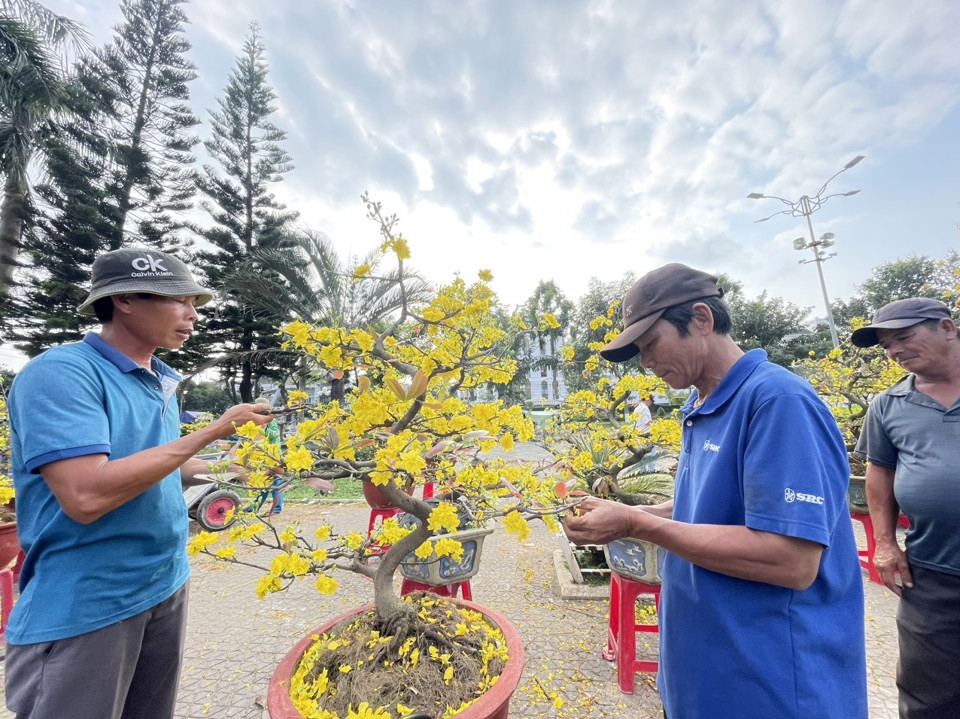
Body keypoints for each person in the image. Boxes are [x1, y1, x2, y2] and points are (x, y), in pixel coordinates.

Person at [564, 263, 867, 719]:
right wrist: (637, 509)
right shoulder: (701, 403)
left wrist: (634, 523)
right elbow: (708, 510)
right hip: (704, 681)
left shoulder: (777, 402)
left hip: (772, 688)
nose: (646, 362)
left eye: (651, 344)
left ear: (702, 320)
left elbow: (792, 558)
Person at [4, 248, 273, 719]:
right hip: (89, 604)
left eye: (196, 303)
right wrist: (210, 431)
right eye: (179, 301)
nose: (193, 316)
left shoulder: (161, 379)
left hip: (164, 585)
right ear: (124, 299)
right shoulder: (62, 374)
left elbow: (162, 464)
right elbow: (87, 495)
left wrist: (230, 468)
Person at [851, 297, 960, 719]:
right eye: (887, 345)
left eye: (905, 337)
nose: (895, 351)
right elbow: (880, 475)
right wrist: (883, 543)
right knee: (927, 693)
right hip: (932, 574)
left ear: (947, 328)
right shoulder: (889, 405)